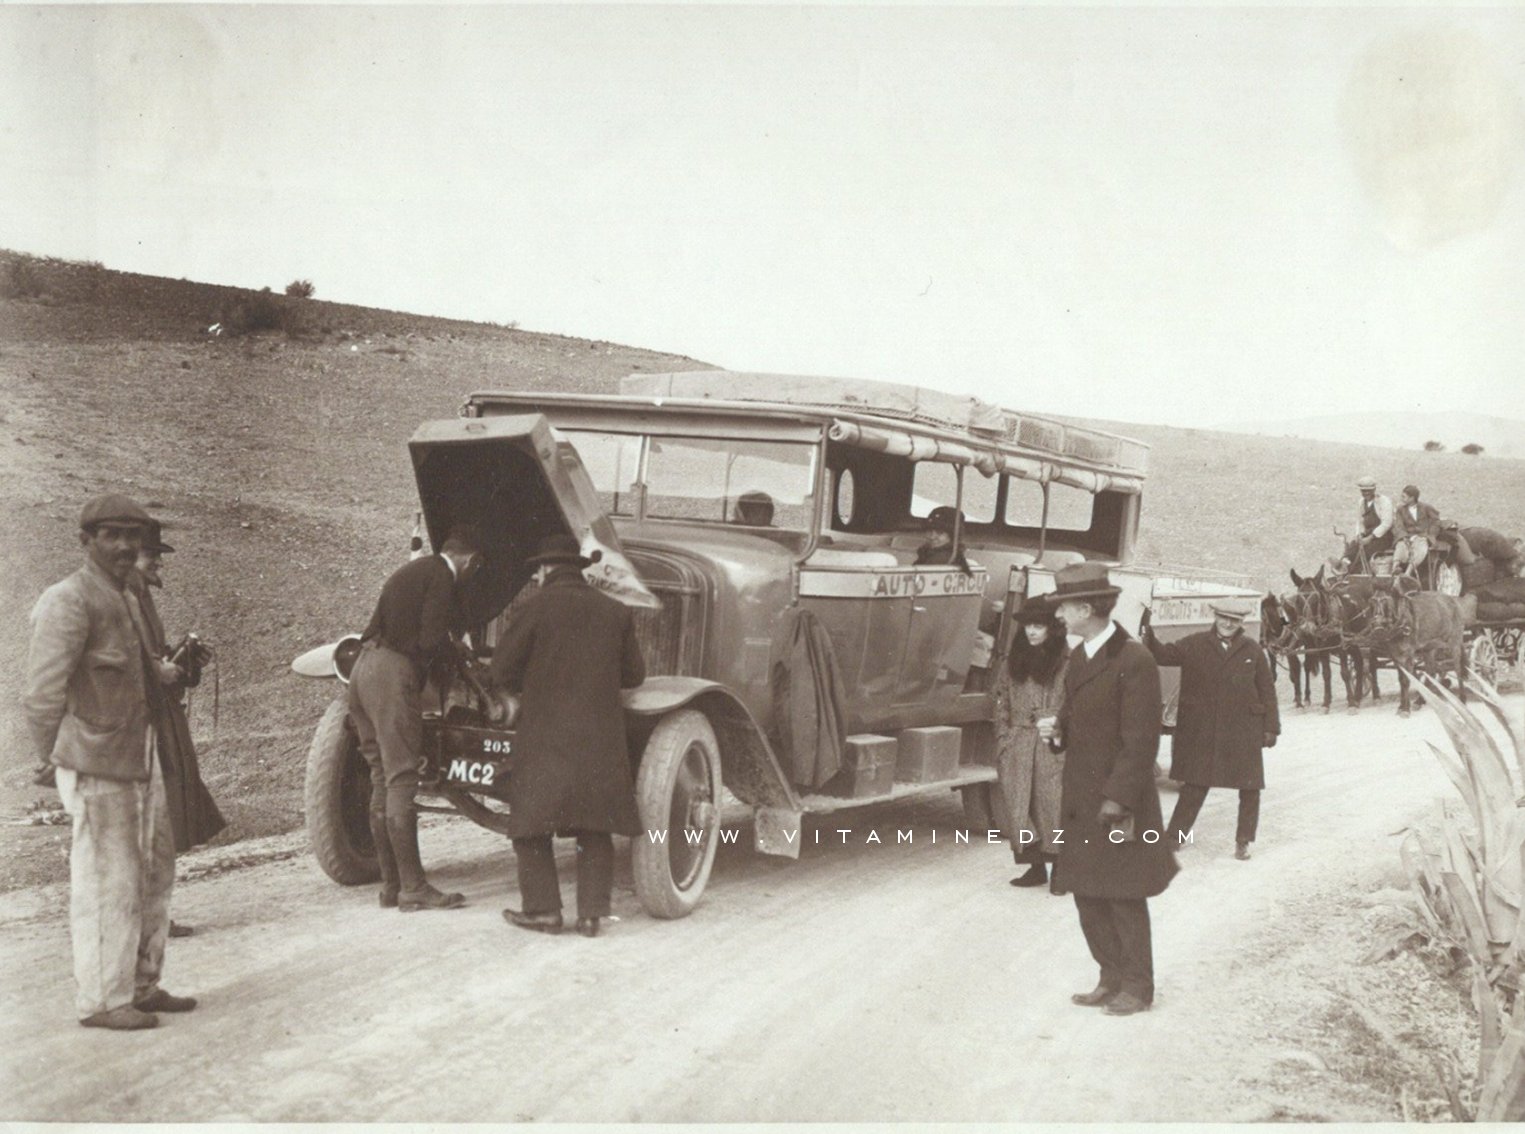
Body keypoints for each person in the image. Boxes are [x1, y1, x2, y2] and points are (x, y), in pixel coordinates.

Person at [24, 494, 196, 1030]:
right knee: (108, 882)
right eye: (112, 536)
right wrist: (54, 760)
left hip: (141, 755)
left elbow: (135, 664)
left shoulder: (126, 595)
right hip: (98, 761)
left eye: (133, 537)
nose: (125, 546)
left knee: (154, 871)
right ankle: (102, 1001)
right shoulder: (68, 600)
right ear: (86, 541)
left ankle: (141, 985)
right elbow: (41, 695)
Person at [1037, 562, 1176, 1017]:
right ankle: (1109, 977)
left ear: (1085, 608)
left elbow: (1141, 741)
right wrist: (1059, 732)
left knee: (1122, 892)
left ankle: (1137, 987)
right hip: (1081, 800)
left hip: (1119, 803)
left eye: (1064, 608)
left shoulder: (1134, 660)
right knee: (1087, 892)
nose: (1059, 617)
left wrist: (1117, 799)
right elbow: (1081, 722)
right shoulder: (1080, 658)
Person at [490, 534, 646, 938]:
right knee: (595, 825)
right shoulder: (615, 611)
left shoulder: (535, 607)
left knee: (530, 824)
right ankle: (593, 915)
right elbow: (634, 676)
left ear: (544, 570)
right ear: (580, 569)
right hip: (599, 738)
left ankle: (543, 911)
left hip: (546, 736)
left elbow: (501, 671)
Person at [349, 524, 483, 912]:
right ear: (470, 560)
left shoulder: (412, 571)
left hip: (362, 669)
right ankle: (414, 888)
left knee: (380, 777)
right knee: (403, 777)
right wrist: (456, 657)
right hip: (392, 676)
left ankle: (391, 886)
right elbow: (428, 640)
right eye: (476, 569)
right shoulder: (442, 576)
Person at [131, 523, 227, 937]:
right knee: (150, 820)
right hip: (142, 726)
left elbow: (151, 663)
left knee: (161, 819)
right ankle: (142, 920)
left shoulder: (141, 598)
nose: (157, 561)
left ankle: (152, 917)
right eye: (150, 554)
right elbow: (121, 666)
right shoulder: (124, 601)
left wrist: (185, 664)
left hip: (161, 718)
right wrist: (160, 669)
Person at [1140, 599, 1280, 861]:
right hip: (1204, 730)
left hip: (1242, 731)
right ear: (1214, 617)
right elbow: (1164, 655)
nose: (1228, 623)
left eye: (1234, 620)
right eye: (1224, 617)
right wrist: (1148, 632)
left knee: (1249, 789)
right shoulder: (1195, 644)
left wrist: (1271, 727)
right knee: (1195, 784)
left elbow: (1267, 690)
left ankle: (1243, 841)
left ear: (1242, 623)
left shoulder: (1253, 650)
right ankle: (1175, 838)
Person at [993, 597, 1069, 888]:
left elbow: (1077, 703)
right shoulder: (1013, 660)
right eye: (1028, 626)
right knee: (1019, 807)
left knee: (1053, 806)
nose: (1032, 632)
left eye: (1038, 626)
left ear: (1052, 628)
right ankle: (1034, 868)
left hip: (1052, 744)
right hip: (1018, 743)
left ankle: (1062, 868)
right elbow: (1000, 699)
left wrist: (1061, 729)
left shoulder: (1067, 662)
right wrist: (1004, 737)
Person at [1343, 475, 1394, 570]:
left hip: (1382, 537)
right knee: (1352, 548)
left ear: (1374, 489)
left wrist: (1370, 537)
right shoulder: (1361, 502)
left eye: (1368, 491)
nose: (1366, 493)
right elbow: (1360, 521)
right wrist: (1360, 534)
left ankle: (1356, 576)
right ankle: (1343, 567)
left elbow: (1387, 523)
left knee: (1366, 552)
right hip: (1367, 535)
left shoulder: (1384, 501)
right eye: (1363, 491)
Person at [1392, 484, 1442, 580]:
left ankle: (1408, 572)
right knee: (1400, 546)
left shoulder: (1426, 507)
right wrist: (1403, 536)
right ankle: (1395, 568)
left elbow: (1436, 521)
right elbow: (1398, 525)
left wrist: (1430, 535)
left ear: (1412, 498)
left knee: (1420, 548)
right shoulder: (1400, 510)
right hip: (1408, 536)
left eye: (1404, 496)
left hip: (1422, 536)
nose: (1401, 498)